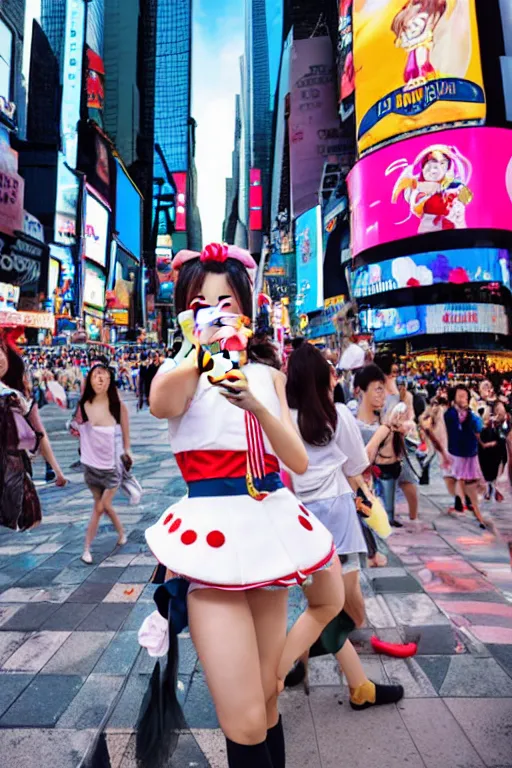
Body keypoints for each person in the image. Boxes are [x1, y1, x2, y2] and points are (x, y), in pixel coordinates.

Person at [145, 243, 338, 768]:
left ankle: (279, 673)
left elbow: (296, 459)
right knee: (247, 720)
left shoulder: (267, 376)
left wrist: (254, 399)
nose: (214, 312)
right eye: (200, 303)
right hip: (211, 540)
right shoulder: (178, 372)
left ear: (246, 308)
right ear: (184, 313)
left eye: (226, 301)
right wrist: (197, 350)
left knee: (269, 704)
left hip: (265, 529)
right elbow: (163, 401)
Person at [284, 344, 404, 710]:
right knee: (345, 613)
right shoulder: (336, 414)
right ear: (324, 378)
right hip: (338, 520)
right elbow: (356, 466)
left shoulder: (283, 418)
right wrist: (384, 431)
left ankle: (302, 663)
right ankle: (302, 667)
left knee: (321, 607)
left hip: (301, 523)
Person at [72, 363, 130, 563]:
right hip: (91, 467)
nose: (100, 379)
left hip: (111, 468)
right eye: (96, 375)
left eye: (104, 376)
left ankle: (86, 549)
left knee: (101, 505)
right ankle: (121, 532)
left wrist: (127, 452)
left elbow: (126, 435)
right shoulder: (84, 406)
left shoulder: (117, 406)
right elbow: (74, 427)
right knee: (102, 505)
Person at [0, 337, 67, 487]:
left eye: (1, 354)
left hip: (15, 474)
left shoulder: (20, 396)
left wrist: (57, 471)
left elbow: (39, 432)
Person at [355, 364, 411, 528]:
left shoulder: (381, 418)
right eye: (378, 389)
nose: (383, 395)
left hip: (382, 469)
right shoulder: (355, 422)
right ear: (360, 391)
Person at [375, 353, 419, 521]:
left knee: (404, 478)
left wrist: (403, 426)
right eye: (393, 371)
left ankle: (409, 517)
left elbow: (410, 418)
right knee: (384, 479)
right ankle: (388, 516)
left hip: (398, 441)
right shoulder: (377, 389)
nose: (395, 374)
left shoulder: (400, 392)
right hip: (383, 440)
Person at [444, 385, 486, 528]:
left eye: (466, 396)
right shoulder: (450, 413)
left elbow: (478, 426)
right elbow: (455, 427)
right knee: (459, 477)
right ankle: (459, 502)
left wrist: (473, 414)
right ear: (454, 398)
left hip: (470, 449)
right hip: (457, 450)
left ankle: (467, 500)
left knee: (469, 476)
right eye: (460, 396)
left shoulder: (471, 413)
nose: (464, 399)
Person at [478, 402, 509, 503]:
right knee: (489, 468)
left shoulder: (505, 422)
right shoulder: (487, 424)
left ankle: (496, 488)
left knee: (499, 467)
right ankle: (491, 487)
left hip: (500, 449)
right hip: (489, 449)